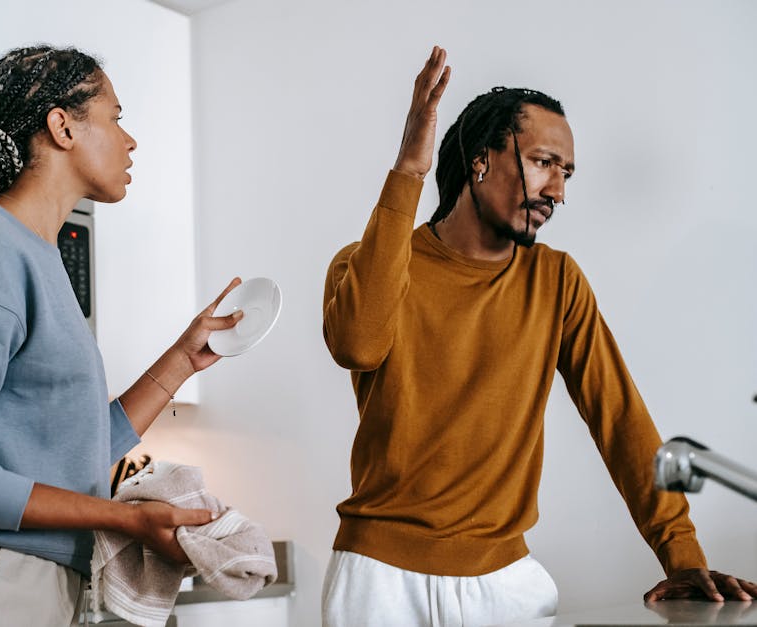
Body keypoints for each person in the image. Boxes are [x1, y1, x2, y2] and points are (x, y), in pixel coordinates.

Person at [321, 46, 757, 626]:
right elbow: (357, 344)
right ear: (481, 161)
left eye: (567, 172)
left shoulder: (556, 281)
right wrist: (408, 171)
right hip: (376, 582)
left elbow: (621, 420)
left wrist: (681, 555)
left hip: (505, 585)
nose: (558, 190)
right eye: (544, 162)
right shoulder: (367, 264)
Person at [0, 45, 243, 626]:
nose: (130, 140)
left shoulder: (36, 259)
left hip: (15, 581)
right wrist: (125, 519)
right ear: (62, 126)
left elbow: (76, 451)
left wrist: (182, 361)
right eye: (116, 117)